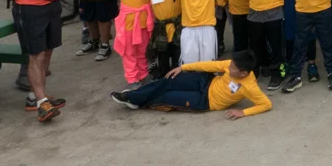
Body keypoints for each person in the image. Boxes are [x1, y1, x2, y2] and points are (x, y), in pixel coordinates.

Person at [110, 50, 271, 119]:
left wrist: (243, 112)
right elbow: (208, 65)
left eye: (233, 68)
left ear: (243, 73)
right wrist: (182, 67)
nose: (229, 67)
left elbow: (266, 104)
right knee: (169, 80)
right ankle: (132, 96)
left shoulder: (250, 87)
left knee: (167, 97)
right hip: (206, 81)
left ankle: (136, 101)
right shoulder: (232, 64)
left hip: (205, 101)